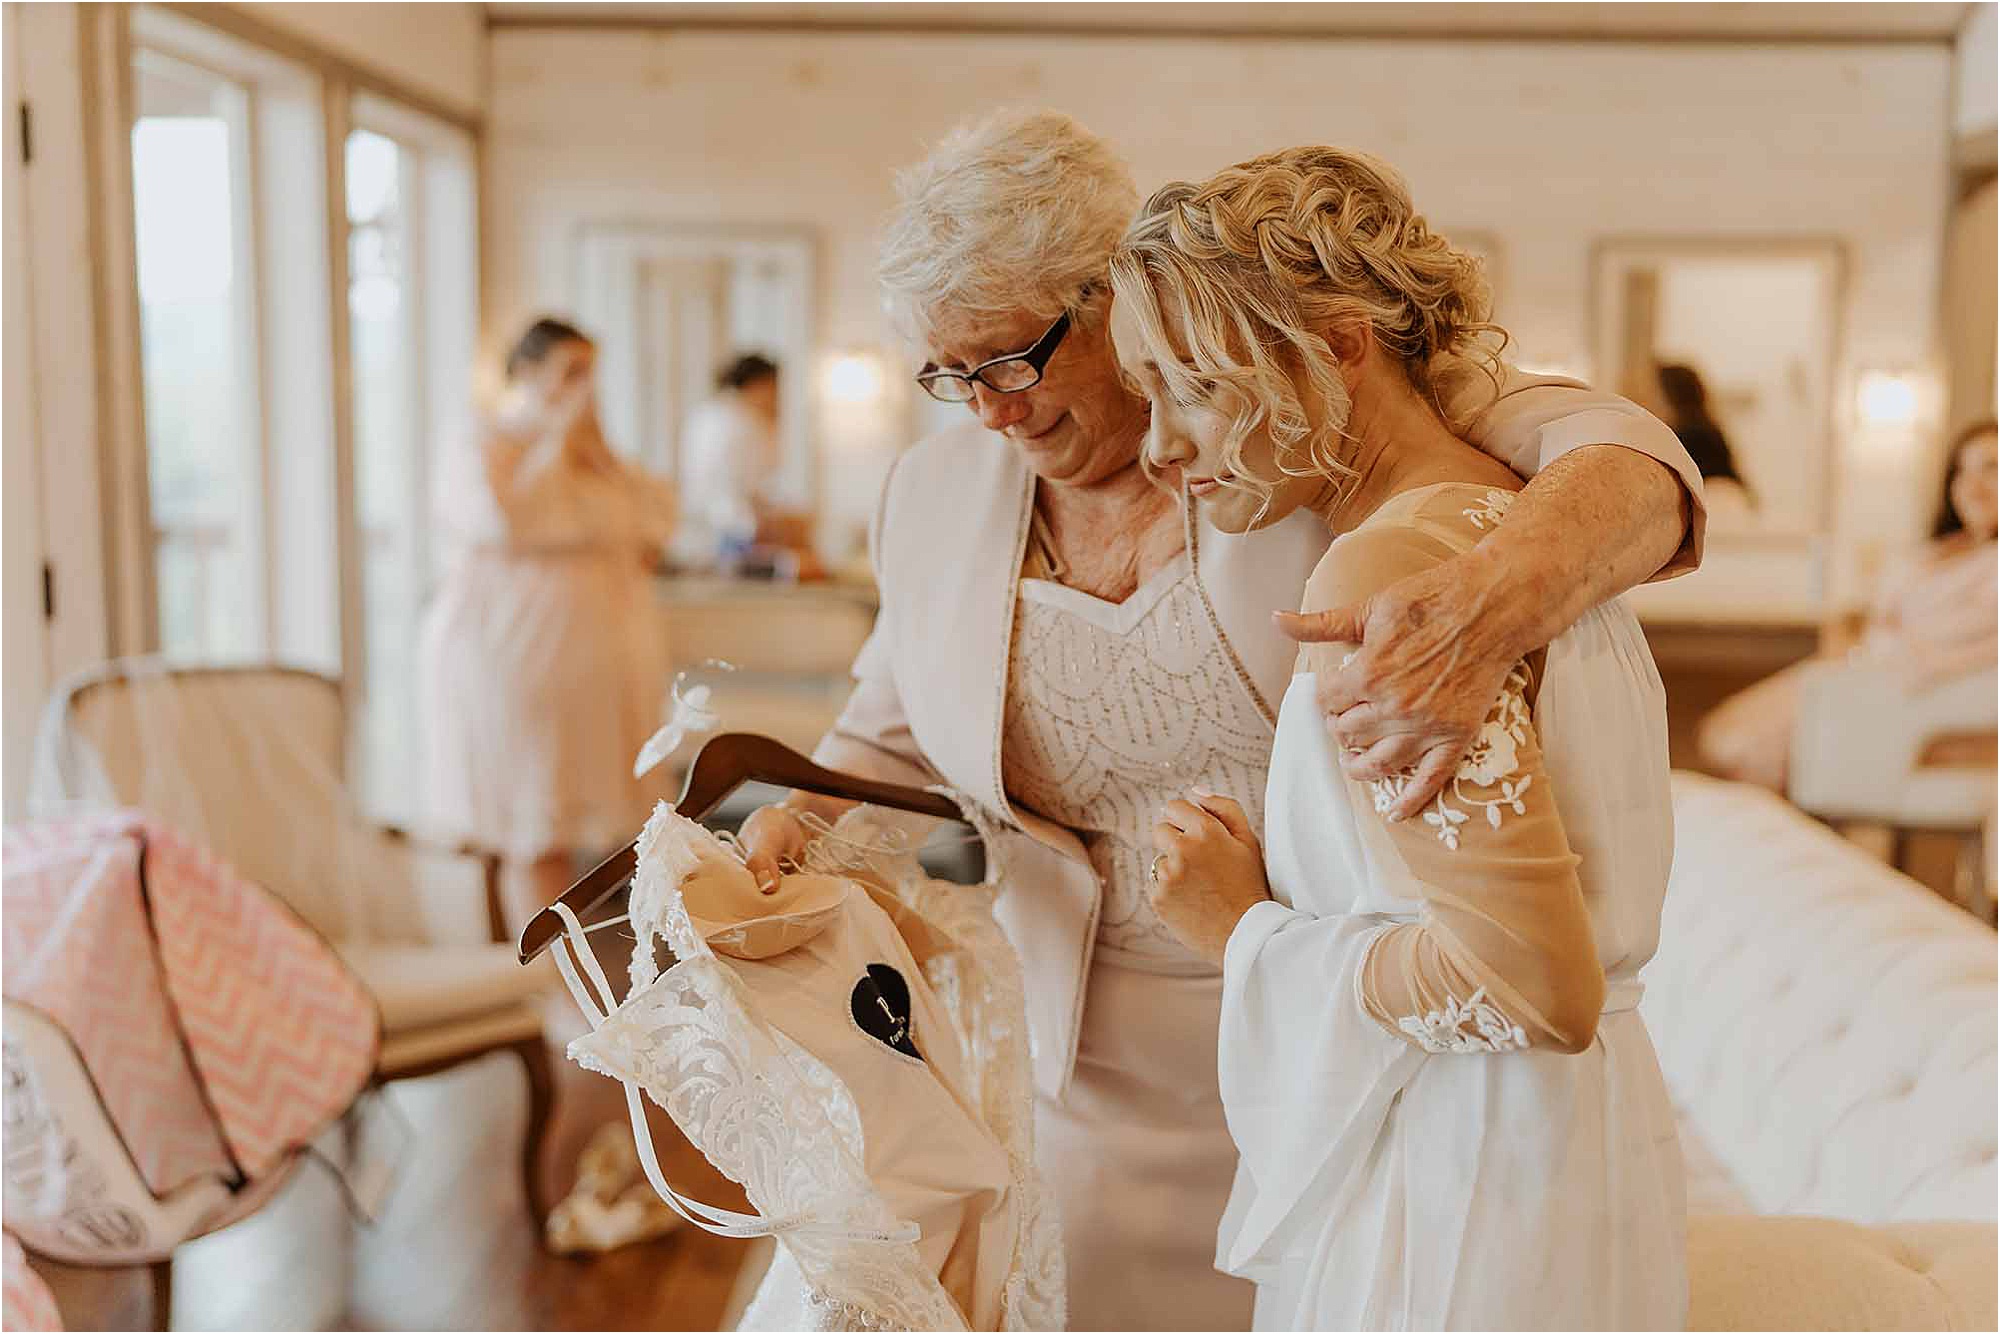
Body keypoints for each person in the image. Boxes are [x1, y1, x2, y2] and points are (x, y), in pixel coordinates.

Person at [734, 110, 1706, 1331]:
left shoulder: (1300, 427)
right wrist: (798, 818)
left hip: (1333, 1046)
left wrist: (1498, 595)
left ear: (1111, 298)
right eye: (948, 374)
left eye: (1010, 360)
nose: (986, 409)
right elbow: (892, 715)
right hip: (1071, 1045)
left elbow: (1617, 453)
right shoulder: (931, 495)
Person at [1120, 146, 1683, 1329]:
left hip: (1464, 1179)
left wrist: (1247, 931)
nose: (1158, 446)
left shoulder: (1392, 571)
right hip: (1576, 1142)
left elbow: (1530, 985)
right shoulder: (1525, 529)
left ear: (1334, 346)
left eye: (1192, 386)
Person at [417, 317, 678, 1220]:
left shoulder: (595, 455)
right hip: (512, 663)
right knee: (534, 826)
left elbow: (653, 526)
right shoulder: (484, 441)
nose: (583, 391)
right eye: (568, 372)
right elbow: (502, 518)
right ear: (524, 373)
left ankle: (573, 985)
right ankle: (546, 994)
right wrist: (561, 432)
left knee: (585, 827)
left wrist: (596, 449)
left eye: (591, 375)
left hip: (593, 672)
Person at [1699, 418, 1998, 792]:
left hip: (1896, 691)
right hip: (1854, 671)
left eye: (1991, 468)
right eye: (1961, 472)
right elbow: (1875, 609)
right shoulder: (1939, 552)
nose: (1973, 487)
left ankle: (1805, 833)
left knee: (1742, 747)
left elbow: (1950, 642)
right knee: (1720, 734)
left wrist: (1868, 645)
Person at [678, 352, 785, 565]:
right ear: (760, 385)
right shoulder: (745, 422)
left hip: (696, 531)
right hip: (731, 534)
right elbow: (735, 491)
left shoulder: (705, 414)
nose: (777, 399)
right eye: (775, 390)